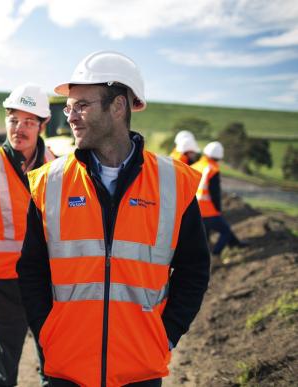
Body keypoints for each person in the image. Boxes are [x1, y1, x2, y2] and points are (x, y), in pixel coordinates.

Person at [17, 51, 211, 387]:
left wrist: (166, 334)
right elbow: (31, 269)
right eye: (69, 106)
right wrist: (47, 332)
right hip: (66, 369)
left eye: (82, 105)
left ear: (118, 106)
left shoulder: (172, 183)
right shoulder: (50, 182)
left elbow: (194, 269)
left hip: (140, 369)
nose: (71, 117)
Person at [0, 83, 54, 387]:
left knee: (56, 367)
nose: (20, 128)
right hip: (4, 289)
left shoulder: (57, 168)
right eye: (14, 120)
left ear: (43, 124)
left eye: (29, 121)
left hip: (48, 285)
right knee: (1, 371)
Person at [191, 141, 247, 257]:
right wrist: (218, 209)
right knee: (226, 231)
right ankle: (215, 254)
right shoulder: (212, 170)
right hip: (208, 210)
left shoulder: (195, 166)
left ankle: (232, 245)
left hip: (194, 209)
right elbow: (214, 193)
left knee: (205, 235)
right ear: (218, 157)